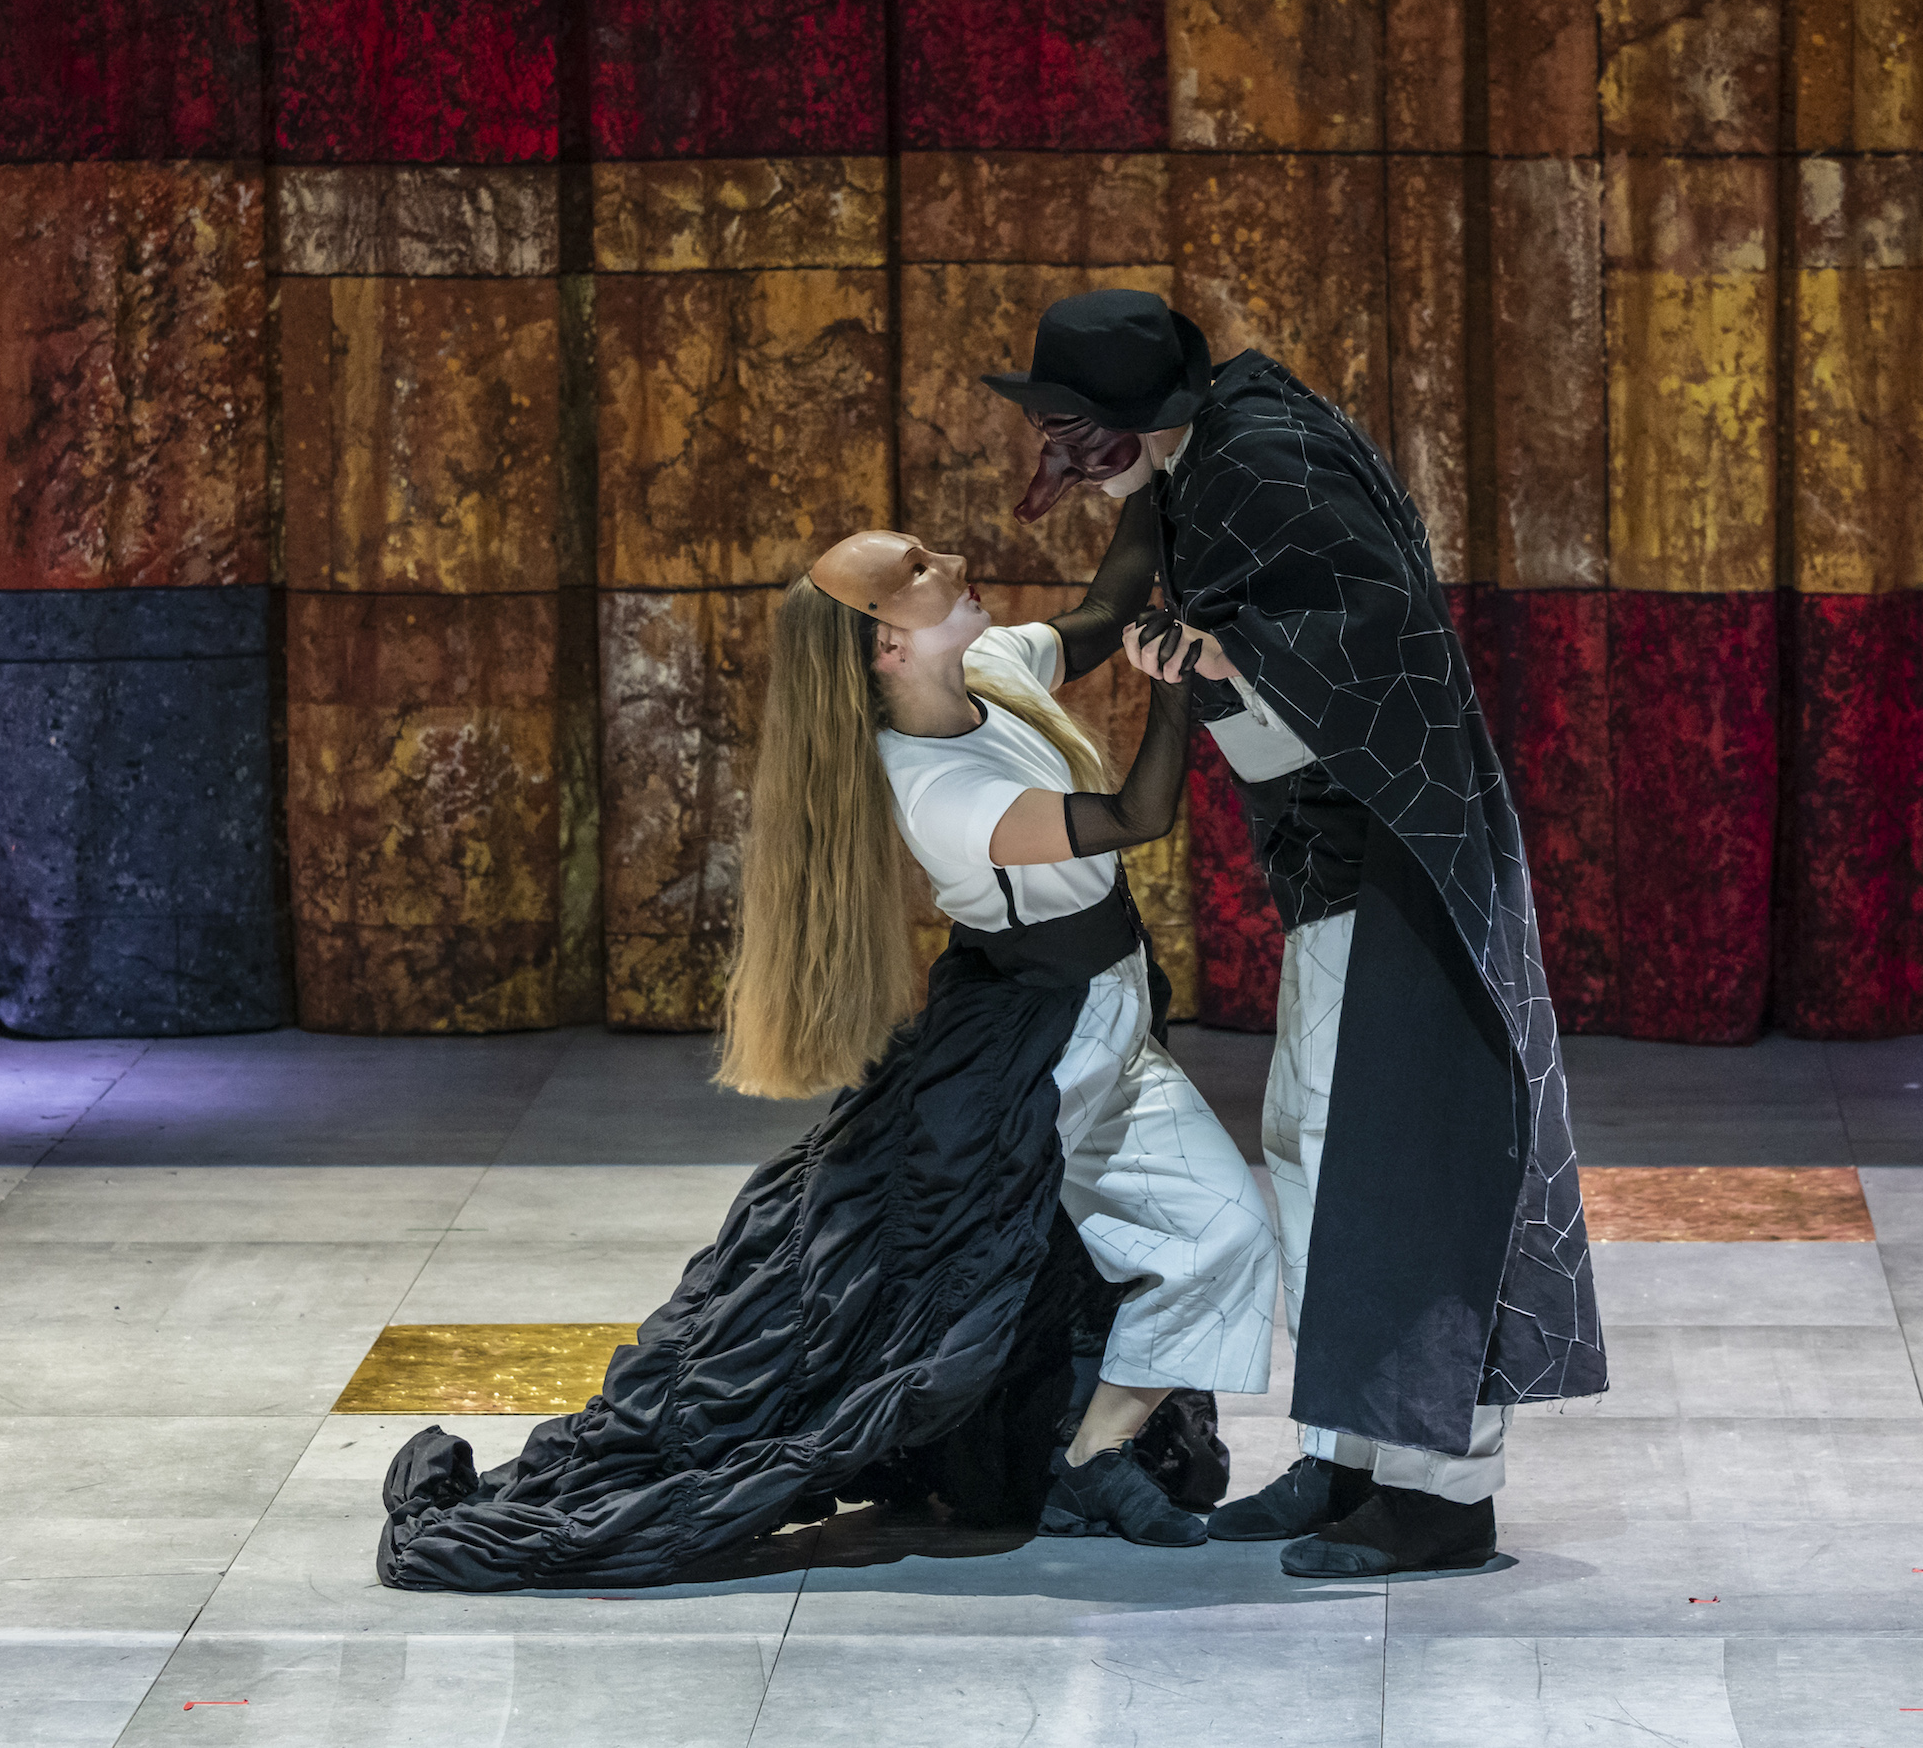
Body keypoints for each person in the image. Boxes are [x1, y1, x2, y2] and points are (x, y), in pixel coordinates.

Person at [374, 519, 1278, 1589]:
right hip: (1034, 1049)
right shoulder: (935, 790)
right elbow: (1136, 814)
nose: (951, 564)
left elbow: (1100, 608)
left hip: (1106, 1011)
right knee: (891, 1290)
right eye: (919, 571)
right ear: (889, 646)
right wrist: (1174, 687)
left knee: (1222, 1235)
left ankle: (1092, 1459)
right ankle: (1055, 1453)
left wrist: (1143, 478)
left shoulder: (991, 668)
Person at [985, 288, 1609, 1579]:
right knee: (1319, 1147)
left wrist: (1215, 651)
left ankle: (1435, 1492)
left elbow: (1376, 630)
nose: (1065, 460)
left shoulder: (1261, 460)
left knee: (1394, 1154)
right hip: (1348, 855)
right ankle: (1351, 1451)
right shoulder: (1223, 443)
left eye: (1076, 435)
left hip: (1397, 854)